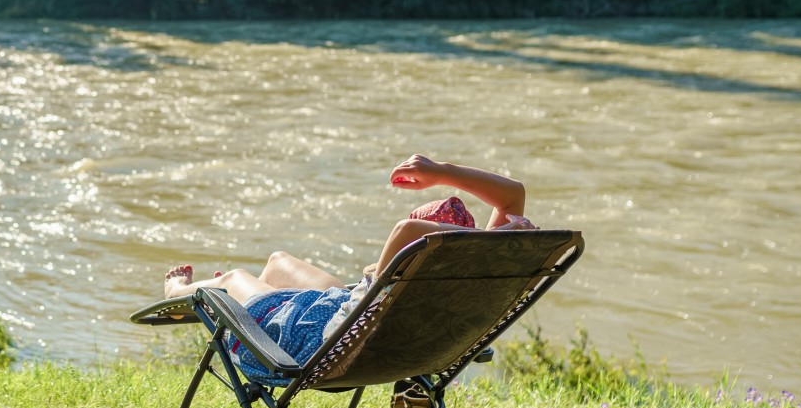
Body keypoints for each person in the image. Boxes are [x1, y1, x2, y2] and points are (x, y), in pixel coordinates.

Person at [162, 155, 538, 388]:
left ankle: (179, 292)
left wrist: (440, 173)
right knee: (278, 261)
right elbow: (513, 194)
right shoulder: (481, 278)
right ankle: (257, 292)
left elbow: (409, 233)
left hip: (313, 346)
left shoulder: (412, 250)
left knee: (228, 281)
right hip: (352, 317)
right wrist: (441, 172)